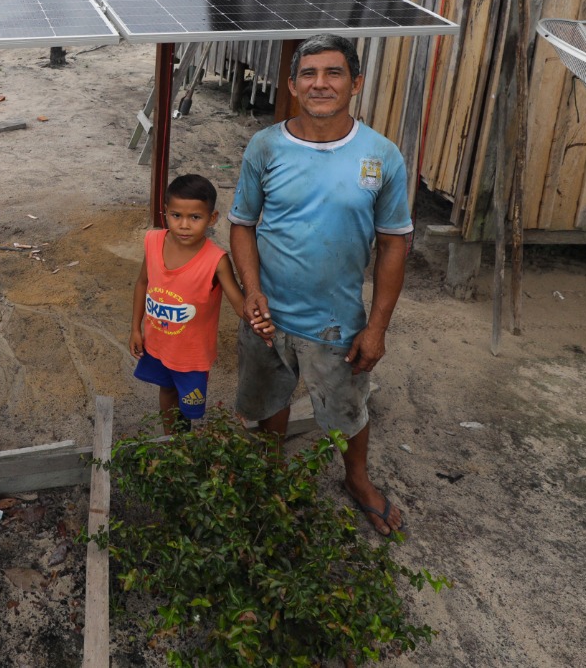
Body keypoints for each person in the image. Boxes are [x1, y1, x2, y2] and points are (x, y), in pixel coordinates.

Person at [229, 34, 413, 537]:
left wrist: (376, 327)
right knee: (268, 402)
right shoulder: (265, 147)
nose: (320, 84)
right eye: (308, 74)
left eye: (333, 73)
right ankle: (269, 478)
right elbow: (242, 223)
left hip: (336, 323)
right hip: (267, 316)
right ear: (291, 85)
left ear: (355, 83)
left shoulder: (382, 156)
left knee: (349, 410)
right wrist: (251, 290)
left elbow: (395, 243)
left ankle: (358, 480)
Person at [128, 173, 268, 432]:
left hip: (192, 356)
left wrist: (258, 322)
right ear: (165, 213)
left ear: (212, 218)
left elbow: (239, 303)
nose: (183, 225)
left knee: (187, 406)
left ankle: (182, 444)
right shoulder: (153, 242)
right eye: (176, 215)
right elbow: (142, 283)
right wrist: (136, 328)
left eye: (195, 217)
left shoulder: (216, 261)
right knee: (166, 390)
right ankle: (173, 442)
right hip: (158, 343)